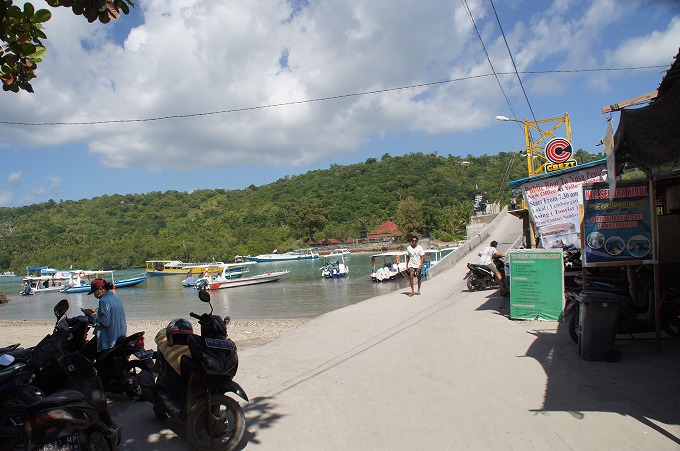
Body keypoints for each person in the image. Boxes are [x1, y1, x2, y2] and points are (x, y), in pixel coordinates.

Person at [81, 278, 127, 353]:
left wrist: (91, 315)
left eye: (94, 292)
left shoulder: (104, 301)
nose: (94, 294)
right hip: (120, 336)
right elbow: (112, 315)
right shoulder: (116, 299)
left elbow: (105, 322)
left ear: (100, 289)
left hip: (110, 341)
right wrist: (97, 313)